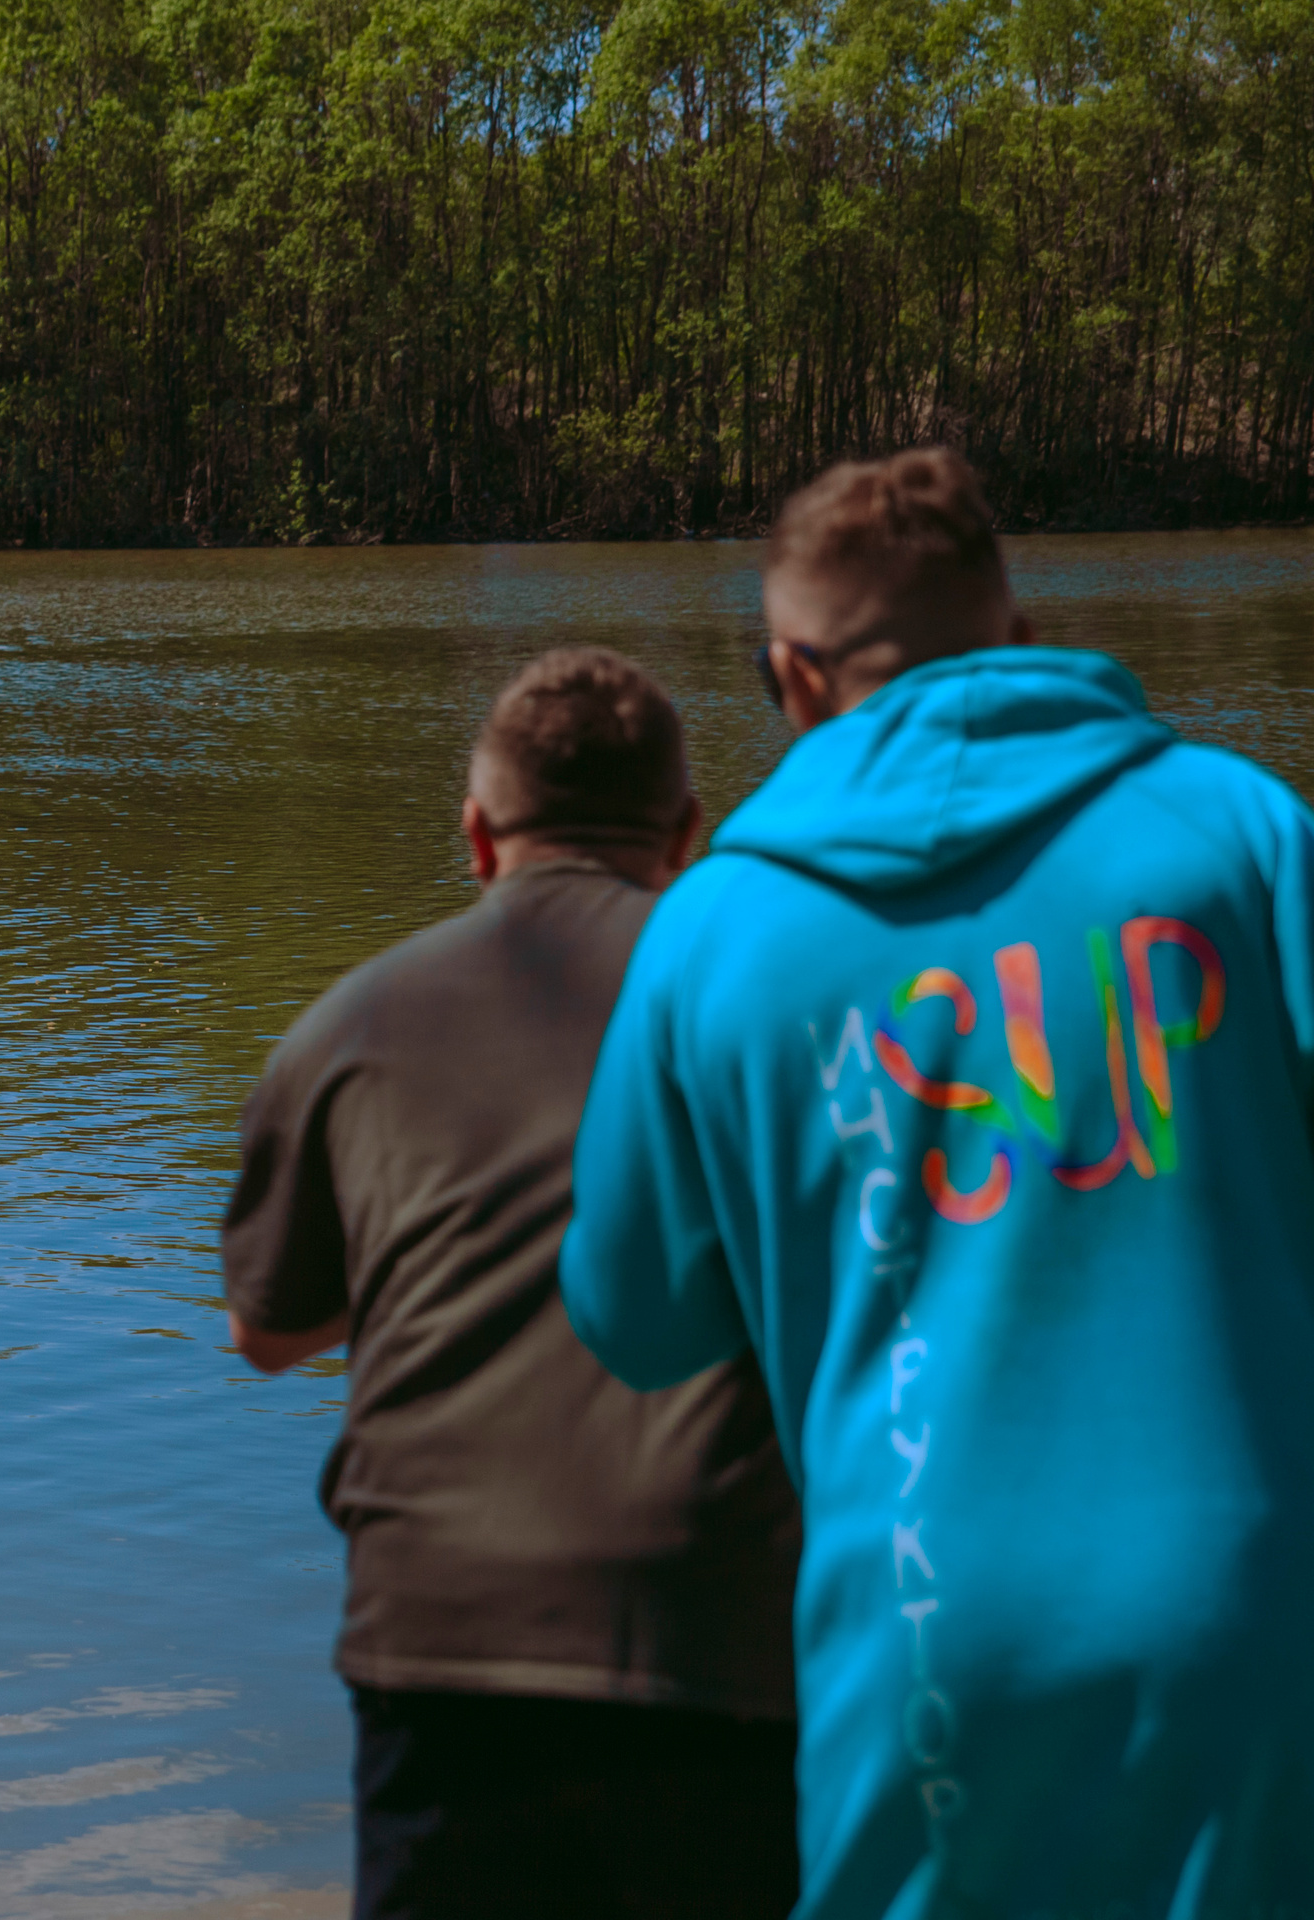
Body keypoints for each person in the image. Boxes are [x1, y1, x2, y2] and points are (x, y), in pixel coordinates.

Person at [561, 447, 1314, 1917]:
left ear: (789, 676)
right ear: (1020, 635)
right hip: (1251, 1605)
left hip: (920, 1640)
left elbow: (636, 1315)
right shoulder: (1238, 833)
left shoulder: (714, 929)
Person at [221, 647, 803, 1920]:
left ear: (477, 836)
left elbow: (265, 1333)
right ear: (686, 835)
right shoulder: (783, 1013)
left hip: (440, 1635)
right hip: (713, 1633)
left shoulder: (347, 1025)